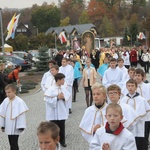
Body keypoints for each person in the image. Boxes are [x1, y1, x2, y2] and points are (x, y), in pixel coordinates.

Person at [121, 79, 150, 150]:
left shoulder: (141, 100)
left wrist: (135, 118)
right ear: (126, 87)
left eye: (132, 86)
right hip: (127, 125)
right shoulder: (124, 100)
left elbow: (145, 113)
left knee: (140, 143)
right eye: (129, 86)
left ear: (136, 87)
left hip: (139, 125)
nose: (130, 88)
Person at [44, 73, 70, 147]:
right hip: (53, 112)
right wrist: (57, 98)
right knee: (53, 128)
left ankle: (62, 141)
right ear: (58, 80)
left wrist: (64, 97)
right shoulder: (51, 89)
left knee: (62, 127)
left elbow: (67, 97)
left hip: (61, 111)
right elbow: (47, 99)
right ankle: (54, 141)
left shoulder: (63, 88)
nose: (64, 81)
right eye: (63, 80)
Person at [0, 84, 29, 150]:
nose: (7, 94)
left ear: (14, 91)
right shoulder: (5, 101)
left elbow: (21, 115)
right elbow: (2, 114)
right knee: (11, 142)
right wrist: (3, 125)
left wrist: (21, 126)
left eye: (9, 92)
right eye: (6, 92)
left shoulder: (19, 101)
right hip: (8, 125)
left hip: (16, 126)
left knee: (14, 142)